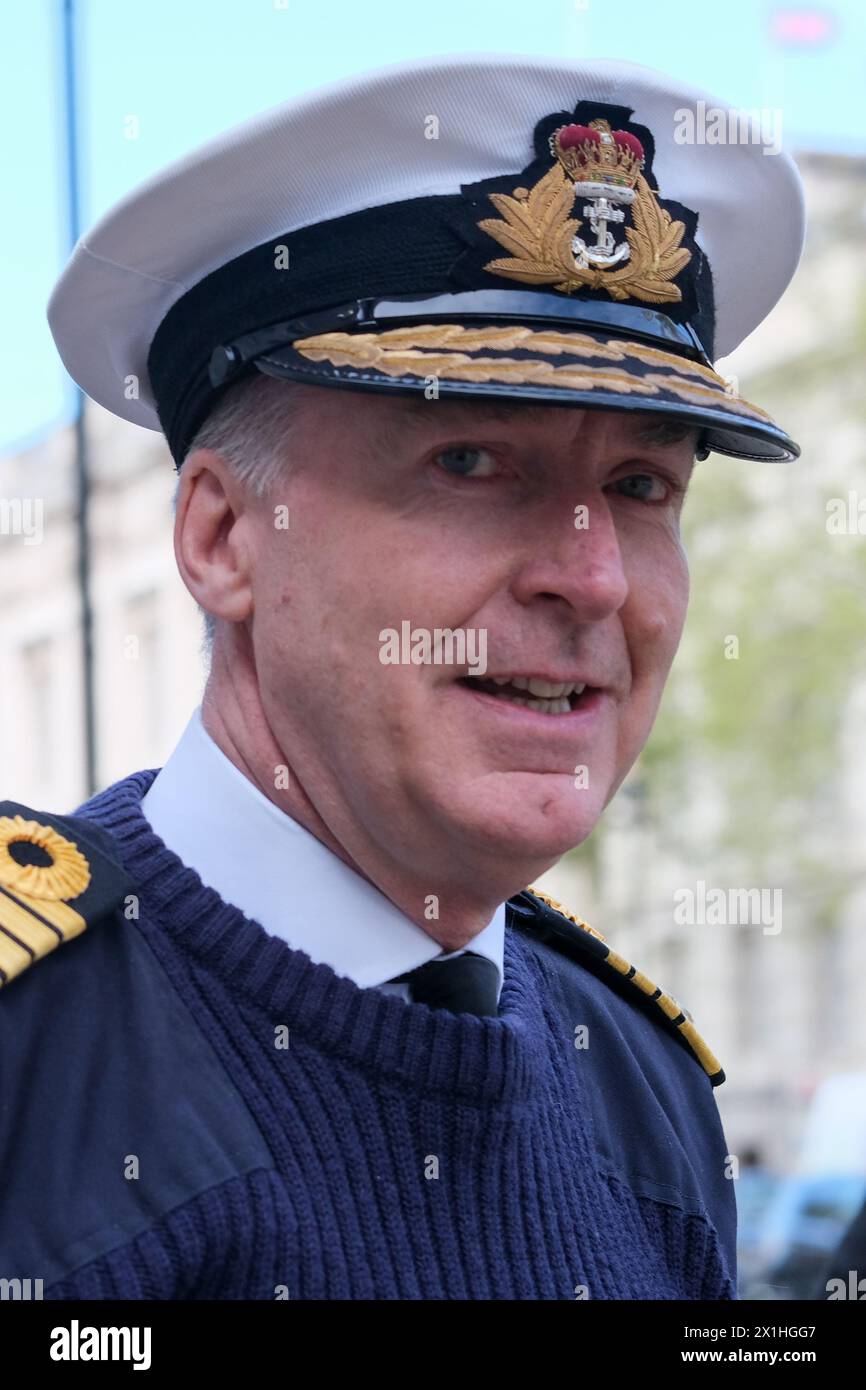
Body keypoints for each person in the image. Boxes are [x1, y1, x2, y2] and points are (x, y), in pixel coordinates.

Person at [0, 52, 804, 1300]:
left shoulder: (637, 1084)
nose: (588, 581)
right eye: (470, 462)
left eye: (639, 487)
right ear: (222, 539)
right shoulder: (32, 1054)